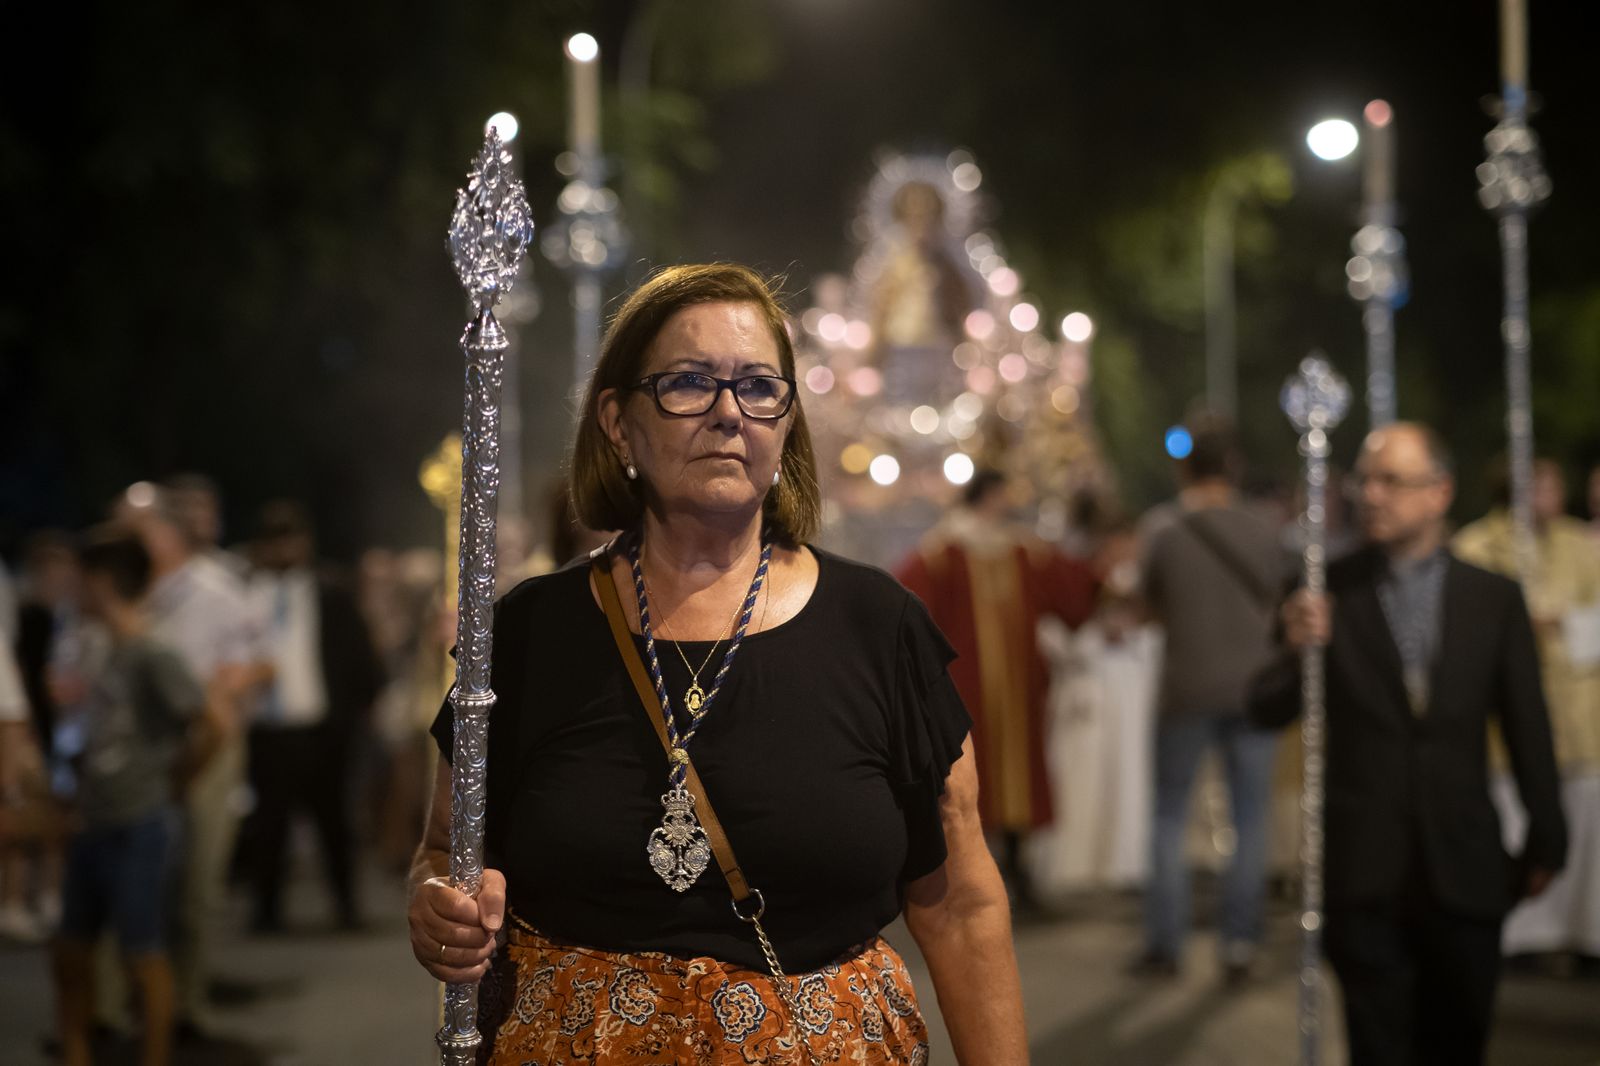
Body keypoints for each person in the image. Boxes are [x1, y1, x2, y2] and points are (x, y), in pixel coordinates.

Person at [407, 264, 1026, 1065]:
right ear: (619, 422)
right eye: (689, 383)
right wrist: (439, 910)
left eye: (759, 387)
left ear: (786, 421)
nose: (729, 412)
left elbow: (962, 904)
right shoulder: (527, 635)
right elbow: (442, 850)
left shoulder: (880, 628)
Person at [1250, 423, 1567, 1065]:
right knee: (1379, 1050)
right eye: (1364, 480)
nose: (1371, 494)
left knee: (1458, 1044)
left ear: (1439, 492)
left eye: (1392, 480)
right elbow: (1264, 707)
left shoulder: (1493, 598)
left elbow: (1527, 724)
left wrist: (1547, 837)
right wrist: (1293, 646)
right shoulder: (1323, 590)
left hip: (1467, 872)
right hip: (1365, 872)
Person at [51, 526, 222, 1066]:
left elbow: (209, 726)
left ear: (101, 583)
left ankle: (154, 1055)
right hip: (95, 819)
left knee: (143, 952)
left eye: (80, 582)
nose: (72, 592)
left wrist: (173, 783)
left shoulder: (153, 650)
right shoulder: (100, 646)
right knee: (71, 948)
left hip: (140, 822)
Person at [895, 469, 1098, 909]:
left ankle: (1020, 874)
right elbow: (901, 602)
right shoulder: (945, 552)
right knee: (969, 777)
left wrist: (1106, 574)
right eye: (1004, 494)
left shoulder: (1022, 550)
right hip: (967, 693)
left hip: (1020, 690)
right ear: (989, 496)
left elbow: (1073, 588)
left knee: (1020, 773)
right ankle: (970, 879)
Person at [1133, 422, 1285, 983]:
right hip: (1254, 690)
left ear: (1184, 467)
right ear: (1235, 466)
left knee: (1170, 815)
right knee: (1249, 818)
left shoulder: (1164, 529)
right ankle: (1240, 944)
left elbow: (1148, 605)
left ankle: (1165, 945)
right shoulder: (1265, 529)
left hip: (1186, 688)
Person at [118, 483, 268, 1036]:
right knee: (134, 876)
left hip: (205, 741)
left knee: (197, 880)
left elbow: (260, 663)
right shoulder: (126, 591)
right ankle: (126, 1008)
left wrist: (227, 700)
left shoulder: (216, 588)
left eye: (132, 530)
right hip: (142, 748)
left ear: (164, 532)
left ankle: (186, 1004)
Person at [1454, 459, 1600, 963]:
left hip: (1576, 712)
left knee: (1578, 824)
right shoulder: (1477, 546)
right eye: (1539, 486)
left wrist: (1562, 628)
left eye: (1556, 485)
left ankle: (1577, 934)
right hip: (1503, 721)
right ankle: (1519, 935)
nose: (1550, 495)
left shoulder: (1581, 547)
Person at [242, 500, 381, 932]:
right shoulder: (246, 594)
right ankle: (266, 911)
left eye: (291, 537)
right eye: (274, 538)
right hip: (267, 729)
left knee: (334, 821)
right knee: (269, 824)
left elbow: (362, 659)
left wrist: (350, 717)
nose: (284, 548)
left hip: (323, 731)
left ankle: (345, 905)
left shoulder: (329, 592)